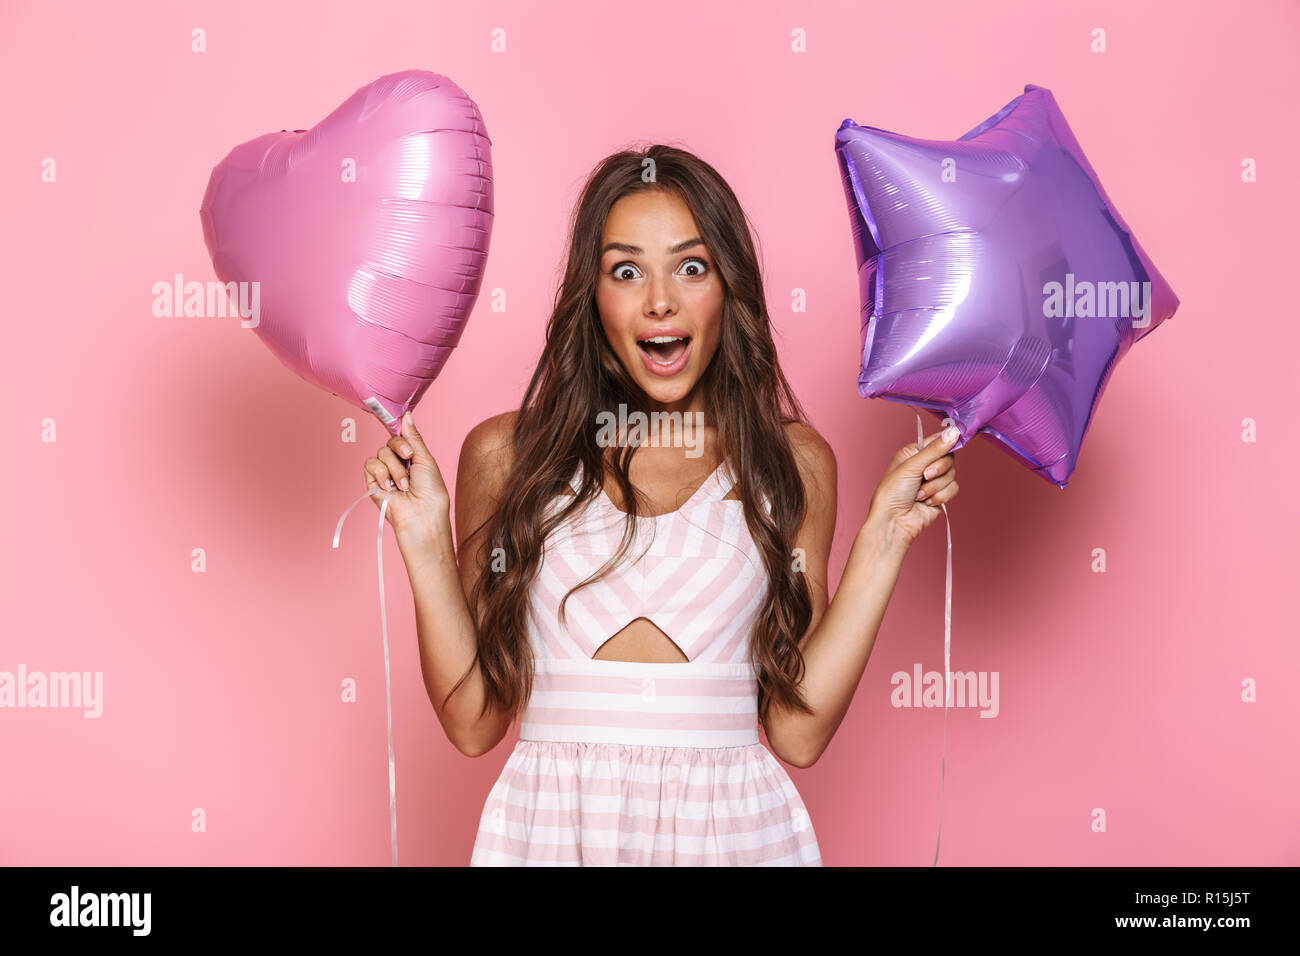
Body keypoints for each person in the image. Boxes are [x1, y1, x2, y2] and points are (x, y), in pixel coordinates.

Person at [362, 145, 959, 866]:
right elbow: (472, 720)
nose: (660, 301)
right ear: (593, 295)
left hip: (735, 837)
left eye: (691, 266)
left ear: (727, 287)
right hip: (551, 837)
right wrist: (424, 537)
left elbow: (798, 734)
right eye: (626, 271)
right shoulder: (508, 454)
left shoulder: (790, 462)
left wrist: (884, 539)